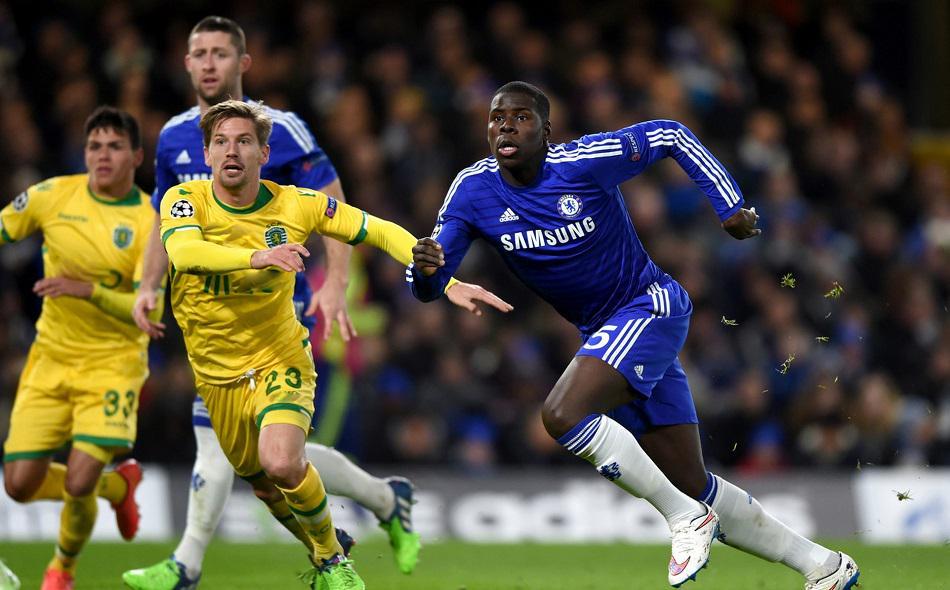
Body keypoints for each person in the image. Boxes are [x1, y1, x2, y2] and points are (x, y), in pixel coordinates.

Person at [409, 82, 860, 590]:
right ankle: (823, 565)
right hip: (606, 333)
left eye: (521, 117)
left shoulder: (583, 163)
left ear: (547, 130)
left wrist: (729, 206)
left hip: (649, 306)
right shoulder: (472, 191)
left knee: (561, 414)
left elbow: (671, 135)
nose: (506, 127)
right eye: (497, 118)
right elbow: (429, 278)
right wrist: (425, 272)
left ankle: (683, 518)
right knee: (692, 482)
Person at [122, 16, 485, 588]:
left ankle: (199, 564)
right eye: (199, 53)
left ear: (263, 150)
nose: (210, 63)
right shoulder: (179, 175)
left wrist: (419, 276)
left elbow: (364, 222)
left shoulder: (291, 171)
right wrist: (153, 283)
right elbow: (181, 248)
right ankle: (379, 505)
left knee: (280, 458)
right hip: (212, 357)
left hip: (276, 337)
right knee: (267, 479)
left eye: (221, 52)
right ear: (205, 150)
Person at [1, 107, 154, 590]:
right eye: (94, 146)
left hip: (113, 363)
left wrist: (89, 291)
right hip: (50, 358)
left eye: (114, 147)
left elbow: (146, 309)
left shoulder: (151, 222)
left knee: (78, 479)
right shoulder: (51, 196)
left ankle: (61, 569)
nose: (102, 155)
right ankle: (119, 485)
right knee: (18, 485)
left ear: (136, 156)